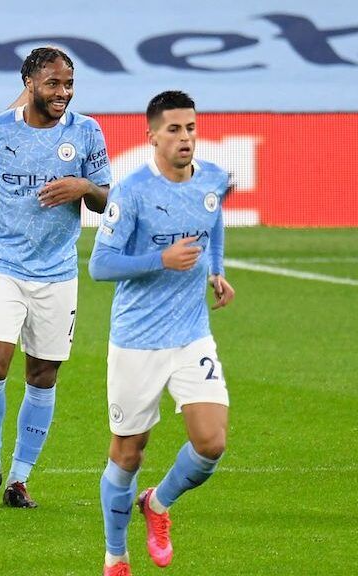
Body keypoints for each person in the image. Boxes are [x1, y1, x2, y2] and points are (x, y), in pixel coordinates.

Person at [0, 47, 111, 509]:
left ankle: (19, 479)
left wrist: (84, 187)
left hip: (58, 274)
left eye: (69, 84)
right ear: (29, 83)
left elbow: (106, 200)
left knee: (42, 375)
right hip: (6, 267)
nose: (63, 93)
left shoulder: (86, 132)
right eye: (53, 83)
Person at [88, 90, 235, 576]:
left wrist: (216, 270)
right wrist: (161, 260)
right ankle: (115, 555)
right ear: (151, 135)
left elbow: (213, 221)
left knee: (211, 443)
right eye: (174, 129)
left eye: (190, 128)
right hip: (136, 340)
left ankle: (157, 503)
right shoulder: (132, 192)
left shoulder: (212, 179)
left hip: (192, 334)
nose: (185, 138)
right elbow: (100, 266)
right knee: (128, 453)